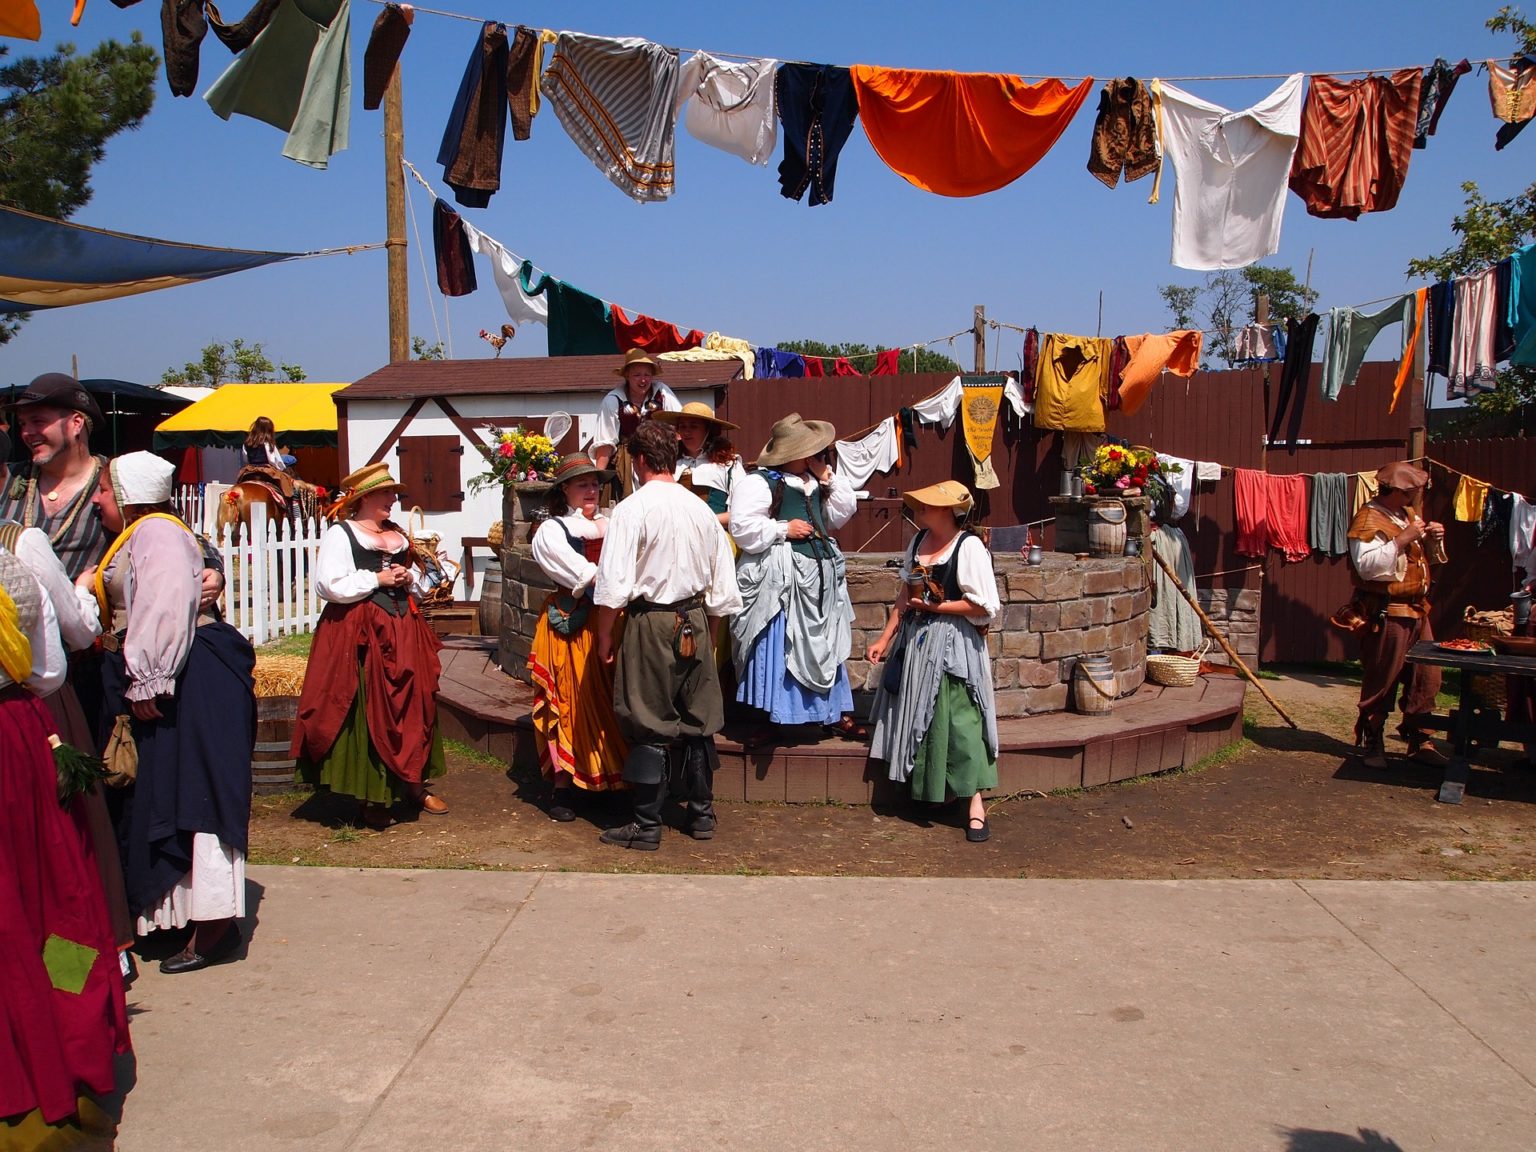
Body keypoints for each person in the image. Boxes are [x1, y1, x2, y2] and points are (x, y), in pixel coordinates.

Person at [80, 451, 256, 975]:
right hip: (179, 674)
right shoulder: (147, 534)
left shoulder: (155, 531)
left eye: (104, 491)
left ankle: (214, 929)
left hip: (189, 678)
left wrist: (147, 677)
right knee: (173, 796)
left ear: (128, 495)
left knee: (197, 802)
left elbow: (161, 603)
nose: (96, 501)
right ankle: (181, 920)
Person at [0, 548, 131, 1143]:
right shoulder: (13, 559)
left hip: (17, 748)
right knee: (56, 902)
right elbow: (49, 672)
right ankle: (68, 1043)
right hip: (21, 738)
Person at [592, 421, 742, 851]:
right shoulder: (702, 511)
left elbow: (614, 585)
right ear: (673, 459)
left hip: (651, 624)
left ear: (639, 460)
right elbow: (722, 586)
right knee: (698, 720)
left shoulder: (631, 509)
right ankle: (701, 817)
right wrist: (709, 637)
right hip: (695, 618)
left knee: (649, 721)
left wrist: (606, 637)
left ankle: (646, 826)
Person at [292, 463, 448, 830]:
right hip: (361, 632)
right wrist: (377, 577)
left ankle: (413, 783)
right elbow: (329, 584)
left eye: (393, 493)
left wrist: (411, 577)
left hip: (403, 628)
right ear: (363, 498)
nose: (393, 499)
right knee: (369, 706)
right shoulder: (341, 534)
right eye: (386, 494)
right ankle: (371, 794)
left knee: (415, 701)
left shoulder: (397, 534)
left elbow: (425, 582)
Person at [867, 481, 1000, 843]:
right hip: (916, 642)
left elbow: (984, 606)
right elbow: (903, 597)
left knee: (961, 719)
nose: (921, 509)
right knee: (920, 716)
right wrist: (884, 637)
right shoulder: (917, 543)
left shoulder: (968, 547)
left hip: (953, 646)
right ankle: (934, 793)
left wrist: (935, 606)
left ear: (947, 511)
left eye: (928, 505)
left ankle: (975, 805)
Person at [728, 412, 862, 747]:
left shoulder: (817, 481)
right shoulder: (760, 482)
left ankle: (833, 712)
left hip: (821, 577)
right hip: (782, 580)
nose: (817, 455)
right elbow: (742, 528)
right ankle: (773, 717)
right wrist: (782, 529)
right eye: (810, 451)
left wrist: (828, 477)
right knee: (781, 643)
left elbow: (842, 515)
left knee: (826, 642)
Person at [528, 452, 629, 822]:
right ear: (565, 490)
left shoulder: (615, 521)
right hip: (573, 626)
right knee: (572, 700)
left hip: (614, 620)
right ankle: (564, 785)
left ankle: (611, 781)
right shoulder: (554, 531)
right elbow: (585, 576)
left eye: (595, 484)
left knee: (609, 704)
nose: (591, 490)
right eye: (583, 484)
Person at [1346, 460, 1448, 770]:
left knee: (1427, 677)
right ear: (1397, 491)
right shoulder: (1367, 518)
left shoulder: (1407, 514)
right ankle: (1372, 739)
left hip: (1417, 610)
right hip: (1388, 612)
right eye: (1410, 492)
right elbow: (1366, 567)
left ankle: (1419, 739)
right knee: (1383, 678)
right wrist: (1403, 538)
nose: (1414, 497)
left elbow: (1424, 561)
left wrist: (1433, 539)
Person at [0, 372, 111, 581]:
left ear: (76, 423)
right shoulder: (8, 478)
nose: (27, 432)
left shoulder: (116, 483)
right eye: (23, 424)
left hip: (85, 611)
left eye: (37, 421)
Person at [589, 348, 682, 494]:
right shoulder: (613, 400)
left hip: (661, 456)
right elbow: (605, 444)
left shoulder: (662, 393)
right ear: (627, 376)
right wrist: (595, 482)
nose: (643, 380)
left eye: (647, 375)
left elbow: (679, 423)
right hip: (628, 461)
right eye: (637, 375)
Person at [652, 401, 744, 527]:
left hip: (714, 537)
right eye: (682, 426)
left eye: (693, 426)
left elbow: (742, 512)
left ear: (708, 430)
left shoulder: (728, 465)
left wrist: (702, 521)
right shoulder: (670, 463)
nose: (686, 432)